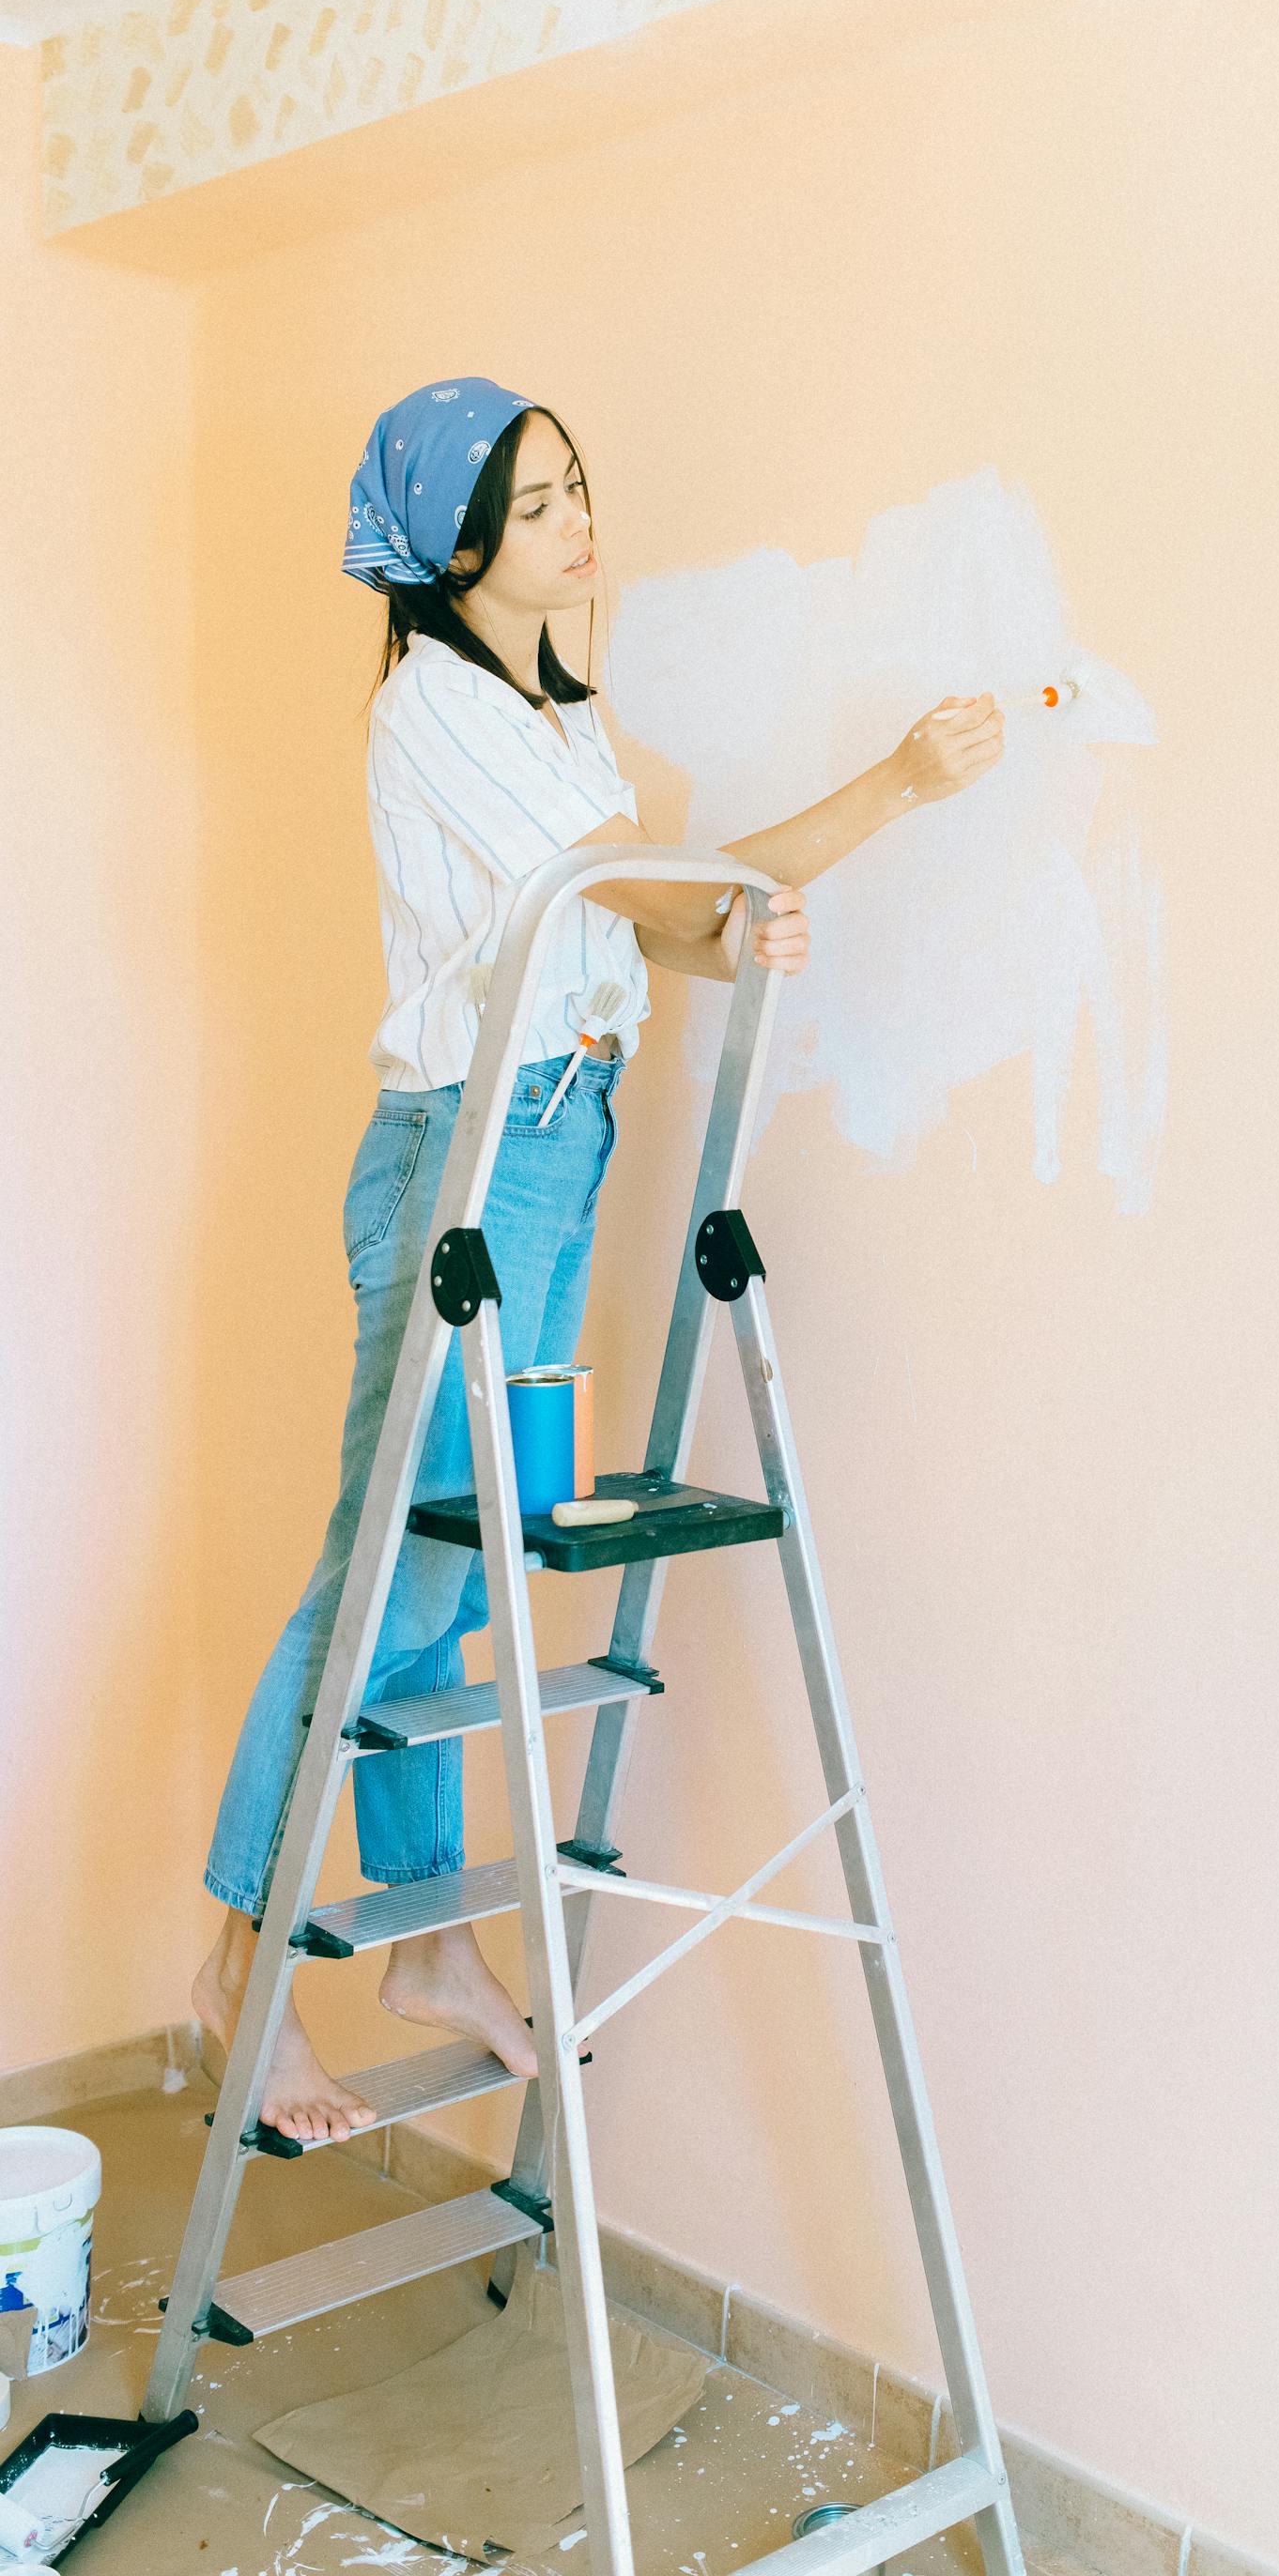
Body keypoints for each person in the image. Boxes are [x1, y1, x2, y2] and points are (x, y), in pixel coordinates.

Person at [191, 377, 1004, 2146]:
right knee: (381, 1575)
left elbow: (650, 937)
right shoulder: (434, 708)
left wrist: (738, 930)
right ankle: (241, 1966)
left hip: (558, 1138)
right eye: (539, 500)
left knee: (456, 1570)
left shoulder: (558, 728)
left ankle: (426, 1950)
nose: (578, 523)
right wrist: (892, 792)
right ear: (459, 544)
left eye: (578, 489)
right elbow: (637, 899)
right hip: (466, 1161)